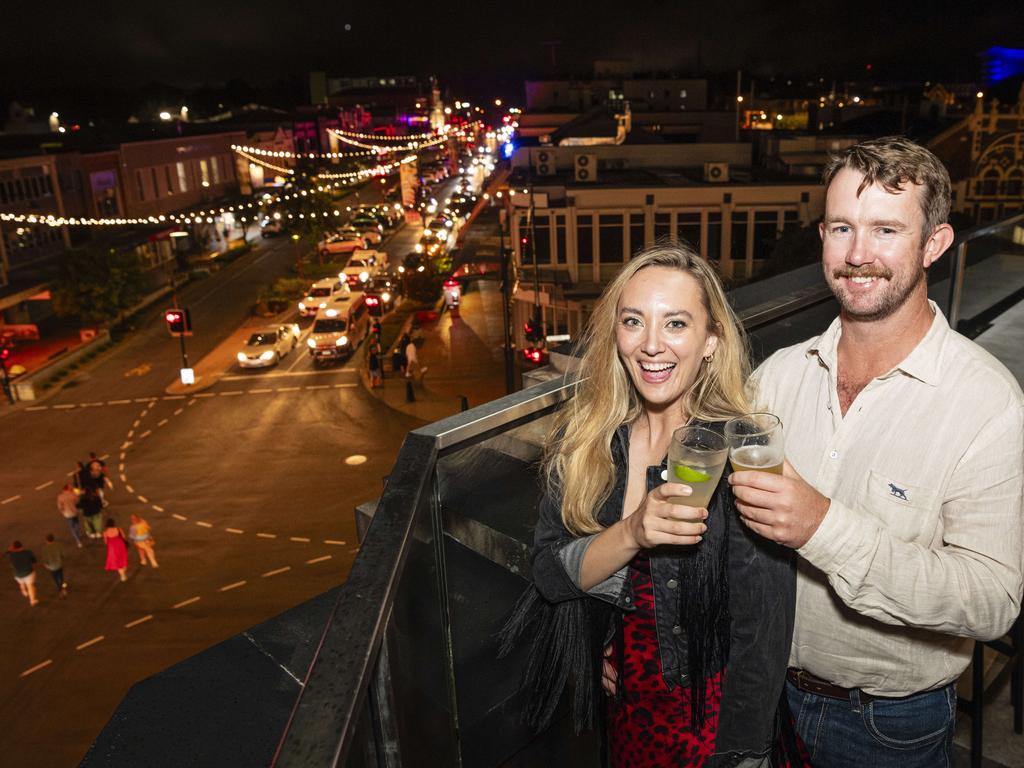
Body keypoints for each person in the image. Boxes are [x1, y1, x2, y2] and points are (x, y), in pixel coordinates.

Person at [730, 136, 1024, 766]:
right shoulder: (777, 376)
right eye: (842, 228)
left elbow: (992, 601)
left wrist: (823, 527)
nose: (858, 256)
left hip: (888, 723)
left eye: (886, 229)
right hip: (762, 694)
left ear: (935, 244)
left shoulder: (987, 404)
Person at [502, 245, 795, 767]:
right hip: (626, 721)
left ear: (711, 341)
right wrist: (633, 532)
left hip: (710, 729)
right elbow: (549, 573)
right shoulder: (588, 439)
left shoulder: (742, 454)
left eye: (676, 323)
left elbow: (763, 636)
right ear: (616, 335)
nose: (651, 345)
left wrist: (742, 756)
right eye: (633, 321)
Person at [6, 540, 38, 606]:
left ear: (14, 547)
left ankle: (24, 591)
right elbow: (34, 562)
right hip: (28, 573)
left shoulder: (11, 555)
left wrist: (10, 549)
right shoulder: (28, 553)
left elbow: (7, 552)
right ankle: (32, 600)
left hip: (17, 574)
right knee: (30, 586)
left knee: (21, 583)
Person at [57, 483, 83, 547]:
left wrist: (63, 512)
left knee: (72, 528)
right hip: (75, 513)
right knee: (77, 524)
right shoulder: (73, 495)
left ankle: (78, 541)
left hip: (67, 514)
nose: (71, 488)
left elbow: (60, 507)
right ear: (68, 489)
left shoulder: (60, 497)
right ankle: (78, 534)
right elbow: (78, 501)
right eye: (70, 487)